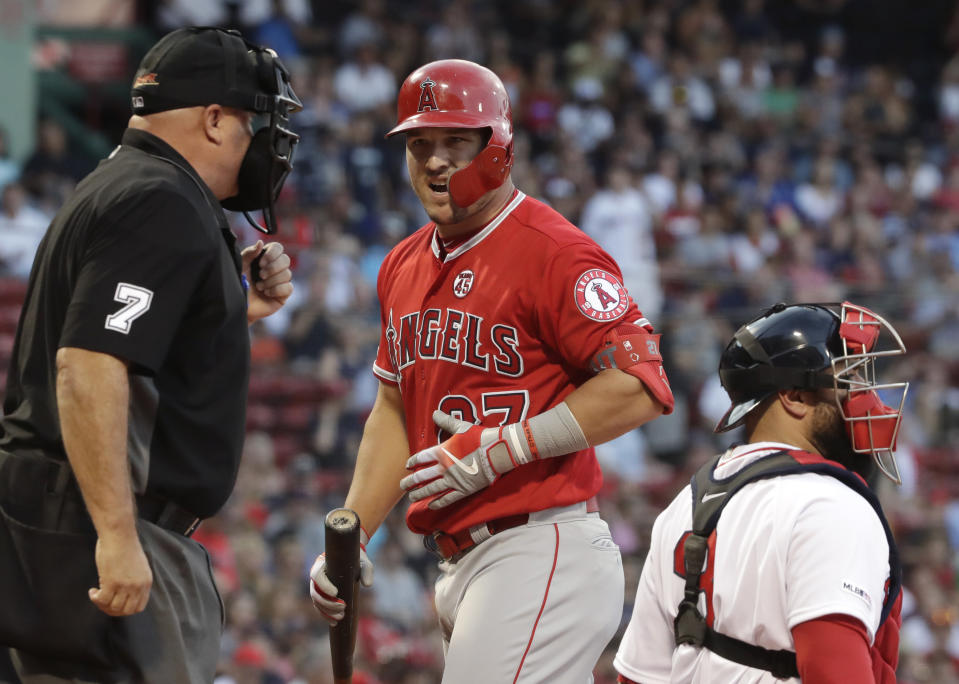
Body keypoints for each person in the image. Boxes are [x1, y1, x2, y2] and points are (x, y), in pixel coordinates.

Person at [309, 59, 675, 683]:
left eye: (456, 141)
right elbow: (396, 411)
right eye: (419, 144)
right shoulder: (401, 265)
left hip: (539, 547)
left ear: (498, 146)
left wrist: (503, 450)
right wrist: (356, 534)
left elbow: (640, 387)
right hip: (460, 564)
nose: (434, 161)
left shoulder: (554, 251)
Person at [0, 26, 301, 683]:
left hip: (66, 516)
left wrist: (226, 307)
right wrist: (116, 534)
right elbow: (88, 364)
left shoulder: (125, 182)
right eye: (256, 124)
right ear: (215, 119)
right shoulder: (160, 201)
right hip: (106, 524)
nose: (264, 144)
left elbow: (130, 344)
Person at [613, 301, 907, 684]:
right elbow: (836, 671)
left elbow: (638, 677)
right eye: (849, 381)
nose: (866, 400)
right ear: (795, 396)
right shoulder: (832, 504)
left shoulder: (684, 504)